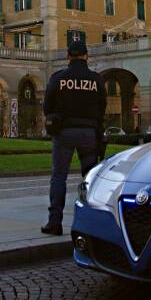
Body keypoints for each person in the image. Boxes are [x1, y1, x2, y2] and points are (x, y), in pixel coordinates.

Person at [41, 39, 107, 236]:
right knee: (89, 179)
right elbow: (102, 107)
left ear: (68, 56)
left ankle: (54, 222)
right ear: (86, 56)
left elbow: (47, 107)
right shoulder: (96, 80)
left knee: (59, 177)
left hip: (63, 132)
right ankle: (90, 224)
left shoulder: (58, 78)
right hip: (88, 133)